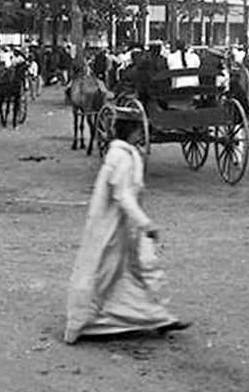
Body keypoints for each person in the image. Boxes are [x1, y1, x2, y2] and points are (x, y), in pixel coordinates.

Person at [64, 118, 189, 344]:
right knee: (110, 273)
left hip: (117, 225)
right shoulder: (122, 158)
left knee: (126, 272)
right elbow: (123, 196)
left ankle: (155, 318)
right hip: (112, 227)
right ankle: (86, 321)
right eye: (139, 131)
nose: (141, 135)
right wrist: (145, 223)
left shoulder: (122, 154)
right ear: (131, 133)